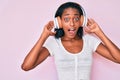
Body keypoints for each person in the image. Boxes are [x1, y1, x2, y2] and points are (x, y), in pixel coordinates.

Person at [21, 2, 120, 80]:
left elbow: (118, 59)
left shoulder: (89, 41)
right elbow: (26, 66)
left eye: (76, 19)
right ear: (59, 22)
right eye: (67, 19)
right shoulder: (54, 43)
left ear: (82, 21)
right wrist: (43, 37)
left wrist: (99, 33)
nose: (72, 24)